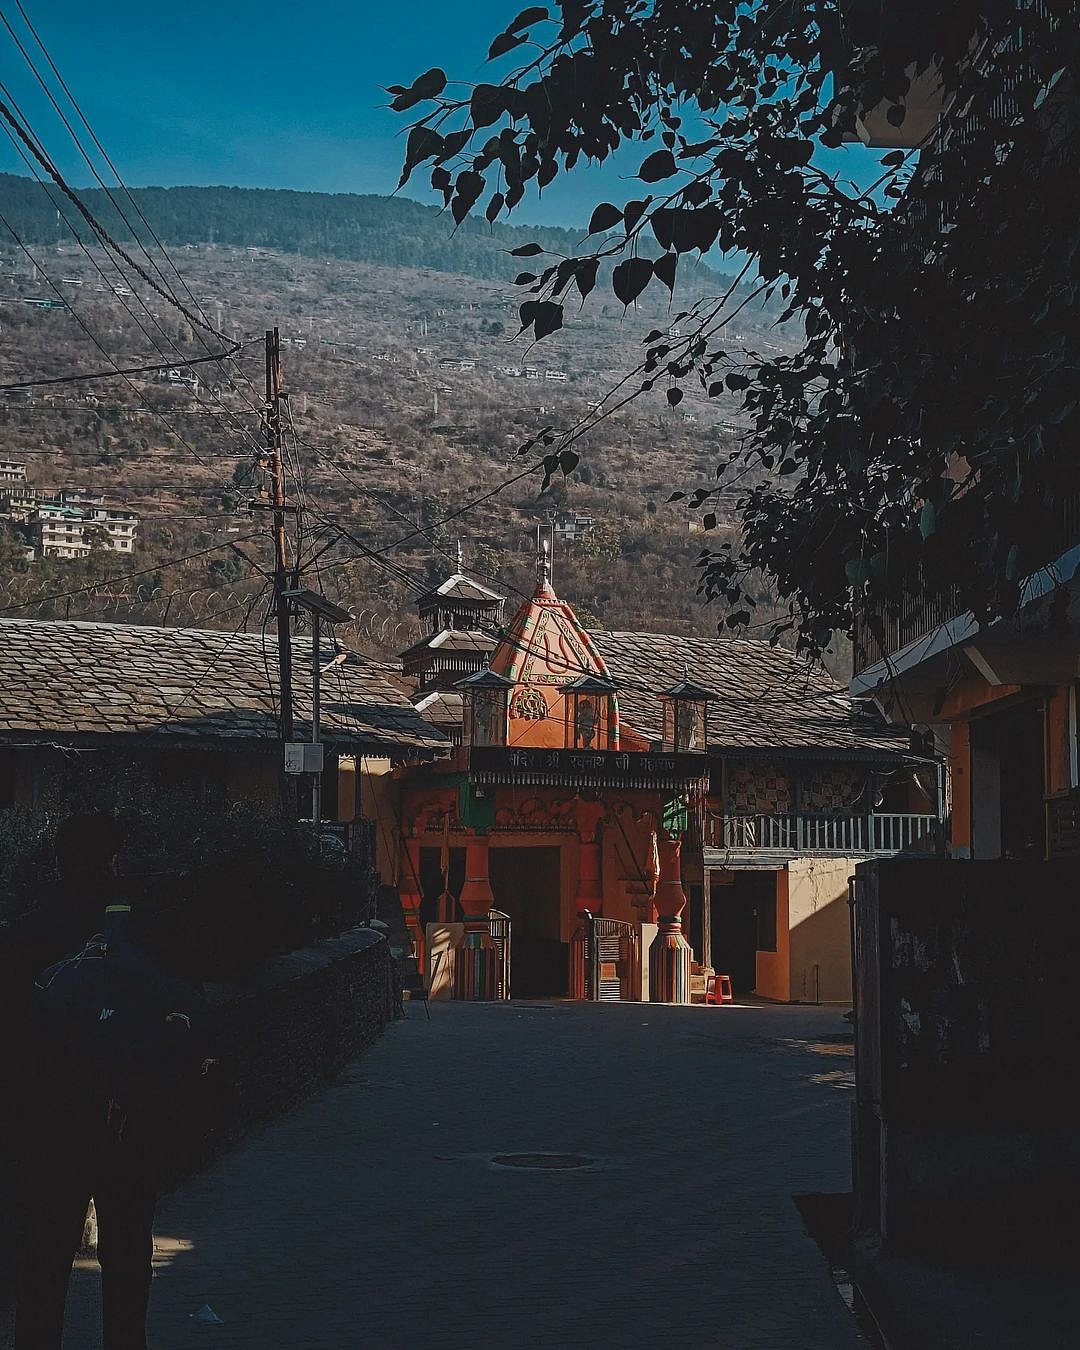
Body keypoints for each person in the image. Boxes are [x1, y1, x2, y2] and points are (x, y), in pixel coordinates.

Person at [7, 811, 206, 1350]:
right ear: (114, 861)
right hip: (126, 1120)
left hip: (48, 1124)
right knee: (125, 1258)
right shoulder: (140, 934)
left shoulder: (27, 933)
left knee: (43, 1264)